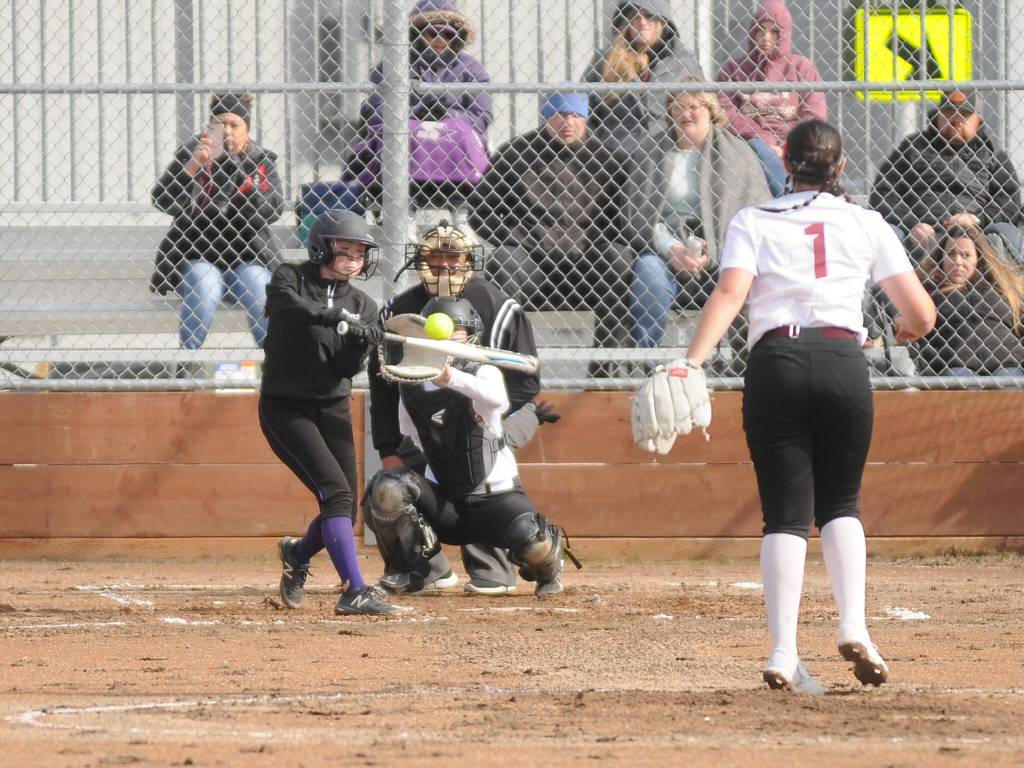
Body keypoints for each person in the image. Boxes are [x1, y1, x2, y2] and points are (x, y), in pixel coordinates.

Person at [673, 119, 935, 689]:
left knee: (785, 516)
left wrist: (691, 361)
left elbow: (731, 292)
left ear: (785, 164)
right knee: (841, 502)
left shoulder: (753, 218)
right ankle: (854, 625)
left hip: (777, 362)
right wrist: (895, 333)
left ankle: (782, 651)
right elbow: (921, 315)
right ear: (840, 168)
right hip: (843, 358)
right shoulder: (866, 221)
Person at [366, 221, 555, 596]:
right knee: (386, 492)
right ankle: (423, 567)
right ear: (419, 261)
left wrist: (471, 412)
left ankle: (497, 567)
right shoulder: (400, 311)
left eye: (455, 258)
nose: (446, 267)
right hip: (424, 420)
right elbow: (383, 385)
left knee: (477, 465)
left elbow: (526, 384)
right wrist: (388, 449)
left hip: (487, 413)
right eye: (435, 259)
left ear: (470, 260)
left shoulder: (497, 306)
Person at [261, 210, 400, 616]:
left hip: (332, 405)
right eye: (346, 249)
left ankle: (297, 555)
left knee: (343, 501)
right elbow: (289, 309)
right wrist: (333, 317)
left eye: (361, 252)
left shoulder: (364, 305)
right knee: (335, 493)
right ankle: (354, 588)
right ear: (321, 246)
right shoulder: (290, 277)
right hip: (286, 406)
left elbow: (343, 370)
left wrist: (361, 343)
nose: (354, 258)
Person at [469, 92, 634, 378]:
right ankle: (505, 369)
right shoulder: (517, 154)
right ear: (546, 116)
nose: (567, 122)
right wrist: (521, 237)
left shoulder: (609, 160)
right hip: (535, 264)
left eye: (575, 115)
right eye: (559, 114)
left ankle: (607, 374)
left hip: (588, 265)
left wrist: (595, 242)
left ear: (586, 117)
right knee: (505, 260)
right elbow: (480, 211)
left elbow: (624, 219)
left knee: (619, 259)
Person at [626, 86, 771, 354]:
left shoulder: (737, 153)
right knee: (648, 273)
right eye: (678, 106)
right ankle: (646, 360)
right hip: (665, 251)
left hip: (725, 251)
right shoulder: (651, 151)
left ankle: (745, 362)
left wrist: (715, 248)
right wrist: (670, 248)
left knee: (744, 275)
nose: (686, 113)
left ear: (710, 111)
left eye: (694, 106)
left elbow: (755, 213)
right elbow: (637, 213)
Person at [151, 92, 283, 353]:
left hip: (245, 259)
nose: (227, 131)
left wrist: (238, 173)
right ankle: (188, 360)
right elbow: (162, 200)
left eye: (235, 125)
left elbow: (271, 210)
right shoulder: (192, 154)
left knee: (262, 293)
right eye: (220, 124)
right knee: (205, 287)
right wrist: (194, 165)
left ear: (248, 129)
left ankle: (275, 364)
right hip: (196, 256)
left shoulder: (260, 162)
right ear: (209, 127)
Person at [344, 0, 492, 224]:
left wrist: (448, 116)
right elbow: (373, 109)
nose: (440, 40)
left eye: (449, 34)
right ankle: (406, 213)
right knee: (408, 133)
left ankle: (460, 211)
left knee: (459, 132)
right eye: (432, 33)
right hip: (408, 141)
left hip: (451, 143)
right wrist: (416, 114)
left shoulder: (471, 68)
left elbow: (482, 114)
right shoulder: (394, 65)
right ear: (418, 34)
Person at [869, 89, 1024, 259]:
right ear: (938, 115)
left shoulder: (992, 154)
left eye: (964, 114)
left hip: (976, 234)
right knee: (888, 233)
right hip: (920, 233)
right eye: (949, 112)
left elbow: (1009, 202)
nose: (956, 119)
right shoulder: (913, 148)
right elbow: (883, 194)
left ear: (979, 120)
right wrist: (912, 224)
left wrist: (976, 219)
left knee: (1008, 235)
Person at [716, 0, 826, 198]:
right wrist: (763, 142)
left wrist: (788, 147)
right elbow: (725, 111)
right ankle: (789, 199)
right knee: (756, 151)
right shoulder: (734, 69)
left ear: (784, 34)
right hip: (749, 144)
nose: (766, 37)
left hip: (793, 146)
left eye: (774, 31)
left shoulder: (802, 68)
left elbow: (813, 115)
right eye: (760, 30)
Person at [581, 1, 703, 160]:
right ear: (626, 22)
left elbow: (704, 107)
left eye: (649, 16)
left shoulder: (684, 61)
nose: (642, 22)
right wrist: (599, 148)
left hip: (667, 153)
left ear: (661, 20)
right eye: (634, 16)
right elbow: (585, 109)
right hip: (614, 156)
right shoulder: (605, 60)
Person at [913, 225, 1024, 377]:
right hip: (957, 364)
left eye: (966, 255)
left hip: (1008, 362)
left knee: (1011, 382)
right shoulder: (929, 291)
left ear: (978, 259)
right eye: (951, 254)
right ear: (941, 258)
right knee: (959, 380)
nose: (957, 261)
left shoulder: (1003, 289)